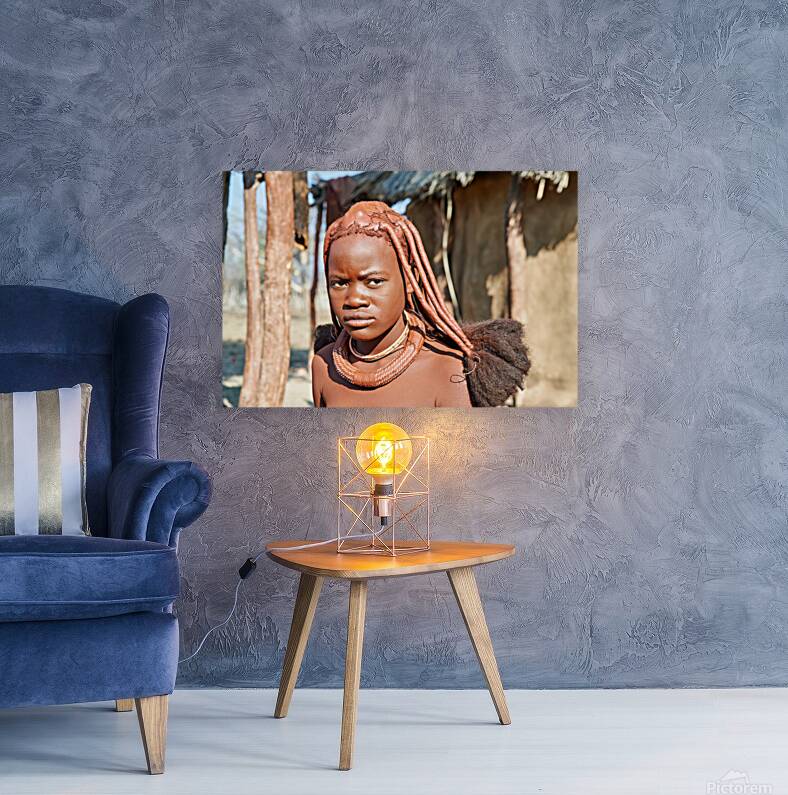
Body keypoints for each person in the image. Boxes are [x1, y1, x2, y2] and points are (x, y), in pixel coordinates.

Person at [311, 200, 530, 408]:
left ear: (409, 280)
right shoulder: (324, 366)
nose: (355, 299)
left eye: (374, 282)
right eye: (339, 283)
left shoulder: (447, 370)